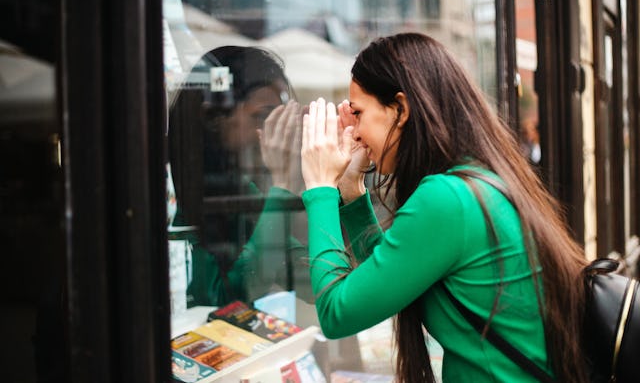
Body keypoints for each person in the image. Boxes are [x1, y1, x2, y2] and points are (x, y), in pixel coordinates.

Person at [300, 33, 589, 382]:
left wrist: (320, 187)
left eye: (359, 113)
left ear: (401, 110)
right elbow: (398, 275)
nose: (356, 132)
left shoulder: (447, 199)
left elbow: (336, 313)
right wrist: (349, 189)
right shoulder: (474, 182)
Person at [169, 45, 308, 306]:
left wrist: (335, 183)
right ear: (214, 117)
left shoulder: (240, 187)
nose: (274, 133)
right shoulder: (171, 193)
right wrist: (283, 186)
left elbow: (313, 282)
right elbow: (223, 298)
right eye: (263, 117)